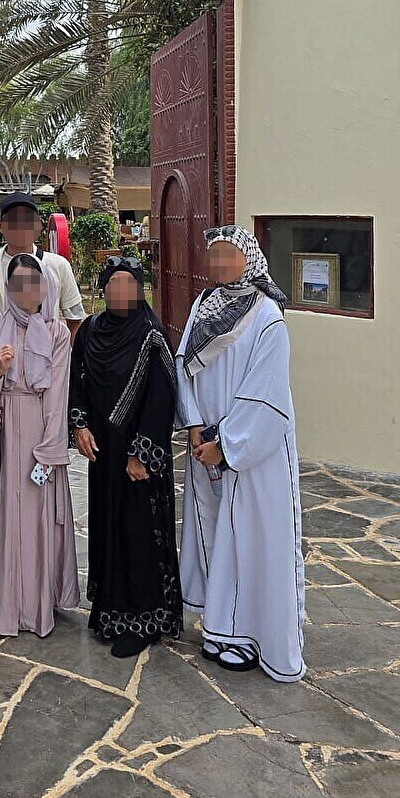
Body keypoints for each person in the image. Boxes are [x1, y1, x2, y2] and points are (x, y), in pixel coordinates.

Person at [174, 225, 305, 682]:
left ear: (249, 260)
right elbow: (184, 366)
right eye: (214, 256)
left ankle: (248, 635)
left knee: (250, 539)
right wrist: (194, 424)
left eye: (229, 255)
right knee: (214, 534)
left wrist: (227, 446)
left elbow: (267, 394)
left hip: (249, 455)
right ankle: (217, 625)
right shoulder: (203, 305)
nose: (220, 264)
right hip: (204, 446)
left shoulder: (267, 315)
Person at [70, 257, 183, 658]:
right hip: (102, 452)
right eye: (113, 284)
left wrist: (142, 454)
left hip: (137, 455)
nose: (120, 292)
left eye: (128, 285)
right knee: (108, 528)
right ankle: (111, 614)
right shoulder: (90, 331)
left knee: (138, 532)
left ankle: (143, 620)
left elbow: (161, 399)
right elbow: (77, 381)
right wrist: (79, 425)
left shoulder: (151, 335)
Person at [0, 252, 80, 637]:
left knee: (36, 516)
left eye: (33, 283)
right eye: (17, 283)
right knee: (0, 513)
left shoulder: (56, 332)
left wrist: (50, 449)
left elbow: (58, 392)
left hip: (38, 430)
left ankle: (35, 604)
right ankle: (1, 599)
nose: (26, 291)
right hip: (0, 432)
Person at [0, 192, 84, 340]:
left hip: (45, 352)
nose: (21, 226)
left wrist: (65, 351)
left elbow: (74, 318)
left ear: (38, 225)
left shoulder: (58, 266)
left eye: (28, 220)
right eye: (13, 220)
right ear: (0, 226)